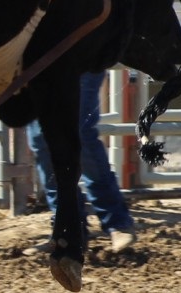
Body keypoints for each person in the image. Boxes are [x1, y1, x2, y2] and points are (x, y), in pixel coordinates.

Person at [26, 71, 137, 254]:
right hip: (36, 61)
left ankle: (117, 223)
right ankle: (67, 229)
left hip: (81, 56)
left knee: (79, 132)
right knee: (41, 139)